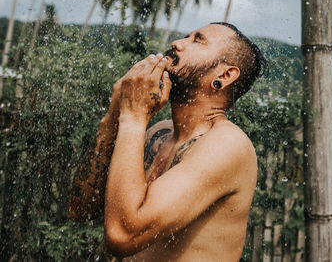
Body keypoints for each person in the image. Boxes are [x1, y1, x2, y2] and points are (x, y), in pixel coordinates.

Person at [68, 22, 267, 261]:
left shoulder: (227, 144)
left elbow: (122, 235)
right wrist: (113, 118)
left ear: (224, 75)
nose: (177, 43)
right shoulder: (159, 133)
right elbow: (80, 209)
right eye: (186, 36)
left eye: (198, 40)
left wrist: (133, 117)